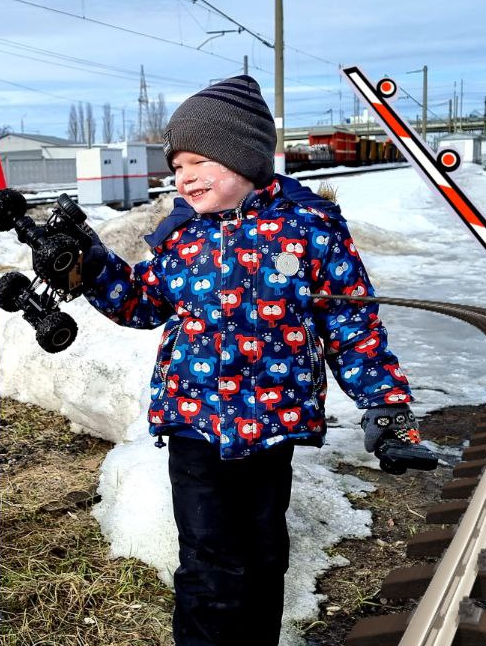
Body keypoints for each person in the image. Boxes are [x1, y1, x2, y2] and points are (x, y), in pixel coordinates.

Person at [78, 75, 420, 646]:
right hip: (194, 421)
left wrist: (386, 405)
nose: (182, 176)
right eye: (176, 164)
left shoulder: (310, 228)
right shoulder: (180, 236)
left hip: (272, 424)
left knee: (262, 558)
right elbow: (141, 304)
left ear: (243, 157)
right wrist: (87, 265)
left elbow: (350, 323)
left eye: (196, 160)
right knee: (208, 564)